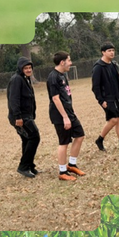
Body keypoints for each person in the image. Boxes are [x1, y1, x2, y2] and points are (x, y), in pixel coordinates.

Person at [46, 52, 86, 181]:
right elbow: (56, 99)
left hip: (69, 113)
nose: (71, 63)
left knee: (80, 135)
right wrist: (65, 117)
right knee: (64, 143)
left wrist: (70, 113)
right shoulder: (53, 77)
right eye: (69, 60)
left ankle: (71, 165)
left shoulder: (62, 75)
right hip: (60, 115)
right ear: (62, 62)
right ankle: (62, 172)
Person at [92, 42, 119, 152]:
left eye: (113, 50)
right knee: (113, 119)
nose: (112, 52)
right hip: (107, 98)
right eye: (109, 51)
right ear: (103, 52)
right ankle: (100, 139)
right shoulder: (98, 67)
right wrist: (101, 100)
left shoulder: (112, 65)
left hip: (116, 96)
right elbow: (95, 86)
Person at [7, 57, 40, 178]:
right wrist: (18, 117)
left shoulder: (25, 79)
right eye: (26, 68)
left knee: (27, 140)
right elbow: (14, 99)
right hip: (21, 117)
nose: (28, 70)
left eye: (30, 67)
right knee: (34, 137)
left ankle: (29, 166)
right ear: (21, 69)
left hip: (27, 115)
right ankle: (23, 166)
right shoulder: (16, 80)